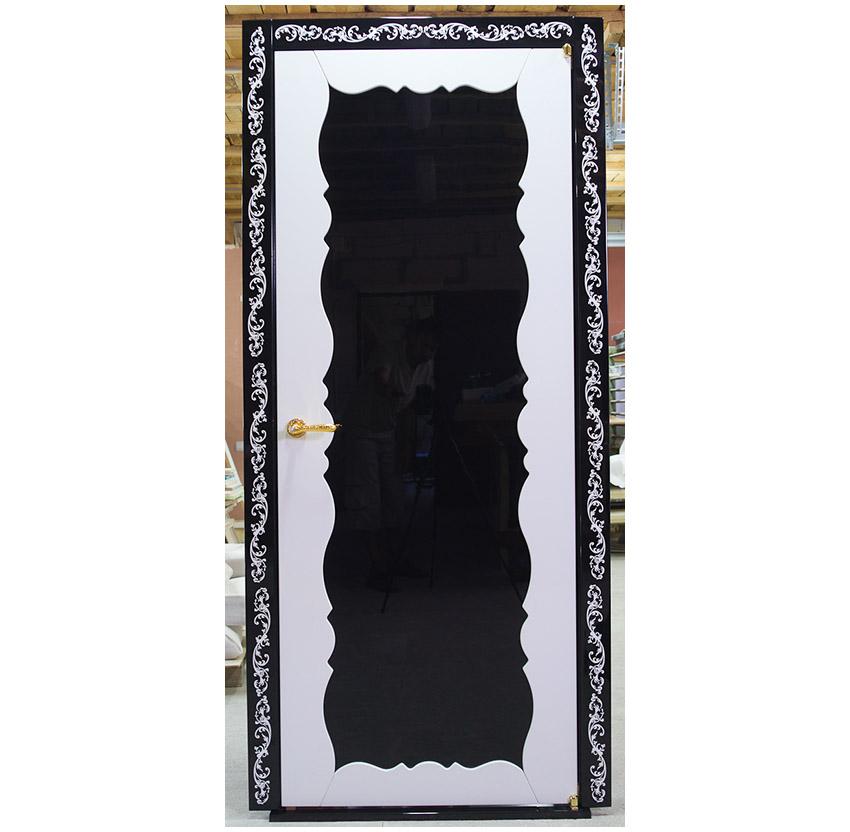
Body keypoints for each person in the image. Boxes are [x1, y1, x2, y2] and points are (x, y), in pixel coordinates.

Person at [343, 317, 440, 592]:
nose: (427, 353)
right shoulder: (389, 352)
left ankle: (397, 559)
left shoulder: (425, 367)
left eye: (433, 349)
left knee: (394, 496)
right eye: (424, 346)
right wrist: (389, 391)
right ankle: (378, 567)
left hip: (388, 430)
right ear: (413, 338)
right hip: (362, 429)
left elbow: (410, 408)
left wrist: (406, 445)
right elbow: (381, 379)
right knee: (368, 498)